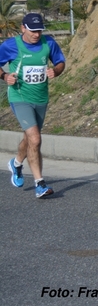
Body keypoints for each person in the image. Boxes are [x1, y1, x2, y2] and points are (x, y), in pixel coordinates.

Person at [2, 13, 66, 198]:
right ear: (23, 28)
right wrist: (5, 76)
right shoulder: (11, 45)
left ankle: (16, 163)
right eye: (32, 30)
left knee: (30, 138)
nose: (36, 34)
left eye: (39, 30)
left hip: (41, 98)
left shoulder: (49, 43)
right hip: (19, 96)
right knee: (36, 139)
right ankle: (40, 184)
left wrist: (56, 71)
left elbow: (61, 62)